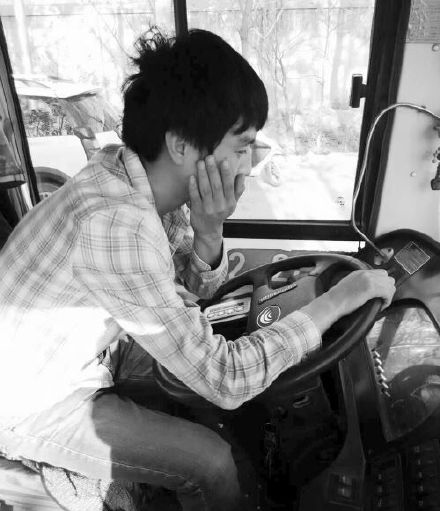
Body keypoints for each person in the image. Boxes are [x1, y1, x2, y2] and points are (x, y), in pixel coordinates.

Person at [0, 27, 395, 511]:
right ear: (182, 145)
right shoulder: (116, 223)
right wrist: (336, 301)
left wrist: (208, 233)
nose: (248, 166)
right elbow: (225, 380)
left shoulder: (134, 180)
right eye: (242, 146)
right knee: (212, 464)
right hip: (36, 402)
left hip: (93, 354)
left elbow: (183, 294)